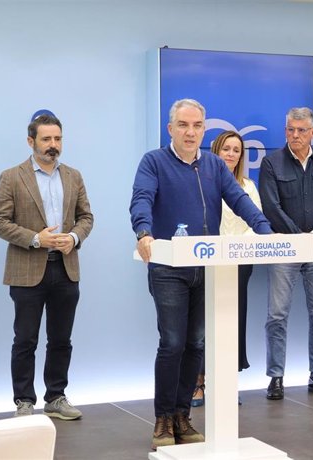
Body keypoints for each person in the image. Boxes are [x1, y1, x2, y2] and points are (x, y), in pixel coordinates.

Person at [130, 99, 272, 450]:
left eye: (197, 126)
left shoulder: (212, 165)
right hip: (169, 269)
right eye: (183, 125)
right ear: (171, 129)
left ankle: (182, 415)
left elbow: (239, 200)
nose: (191, 132)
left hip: (207, 268)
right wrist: (143, 231)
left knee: (196, 344)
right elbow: (141, 198)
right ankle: (163, 419)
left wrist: (266, 231)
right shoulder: (154, 161)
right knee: (173, 342)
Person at [0, 110, 94, 420]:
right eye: (46, 139)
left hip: (65, 268)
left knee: (61, 339)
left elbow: (86, 216)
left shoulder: (73, 175)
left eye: (58, 138)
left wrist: (74, 237)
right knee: (25, 339)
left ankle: (56, 397)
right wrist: (36, 238)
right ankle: (24, 402)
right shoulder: (12, 176)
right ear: (31, 141)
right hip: (26, 270)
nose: (53, 145)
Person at [259, 107, 313, 400]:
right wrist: (300, 240)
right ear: (285, 131)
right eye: (291, 130)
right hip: (284, 248)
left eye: (301, 130)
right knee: (277, 315)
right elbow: (271, 207)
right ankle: (276, 377)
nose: (295, 135)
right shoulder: (271, 163)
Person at [190, 130, 261, 407]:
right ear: (216, 152)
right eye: (226, 149)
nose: (231, 154)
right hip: (208, 260)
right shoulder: (201, 182)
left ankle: (226, 384)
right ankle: (197, 383)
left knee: (233, 323)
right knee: (203, 324)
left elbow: (256, 222)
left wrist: (237, 249)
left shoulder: (248, 186)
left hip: (239, 264)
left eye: (236, 150)